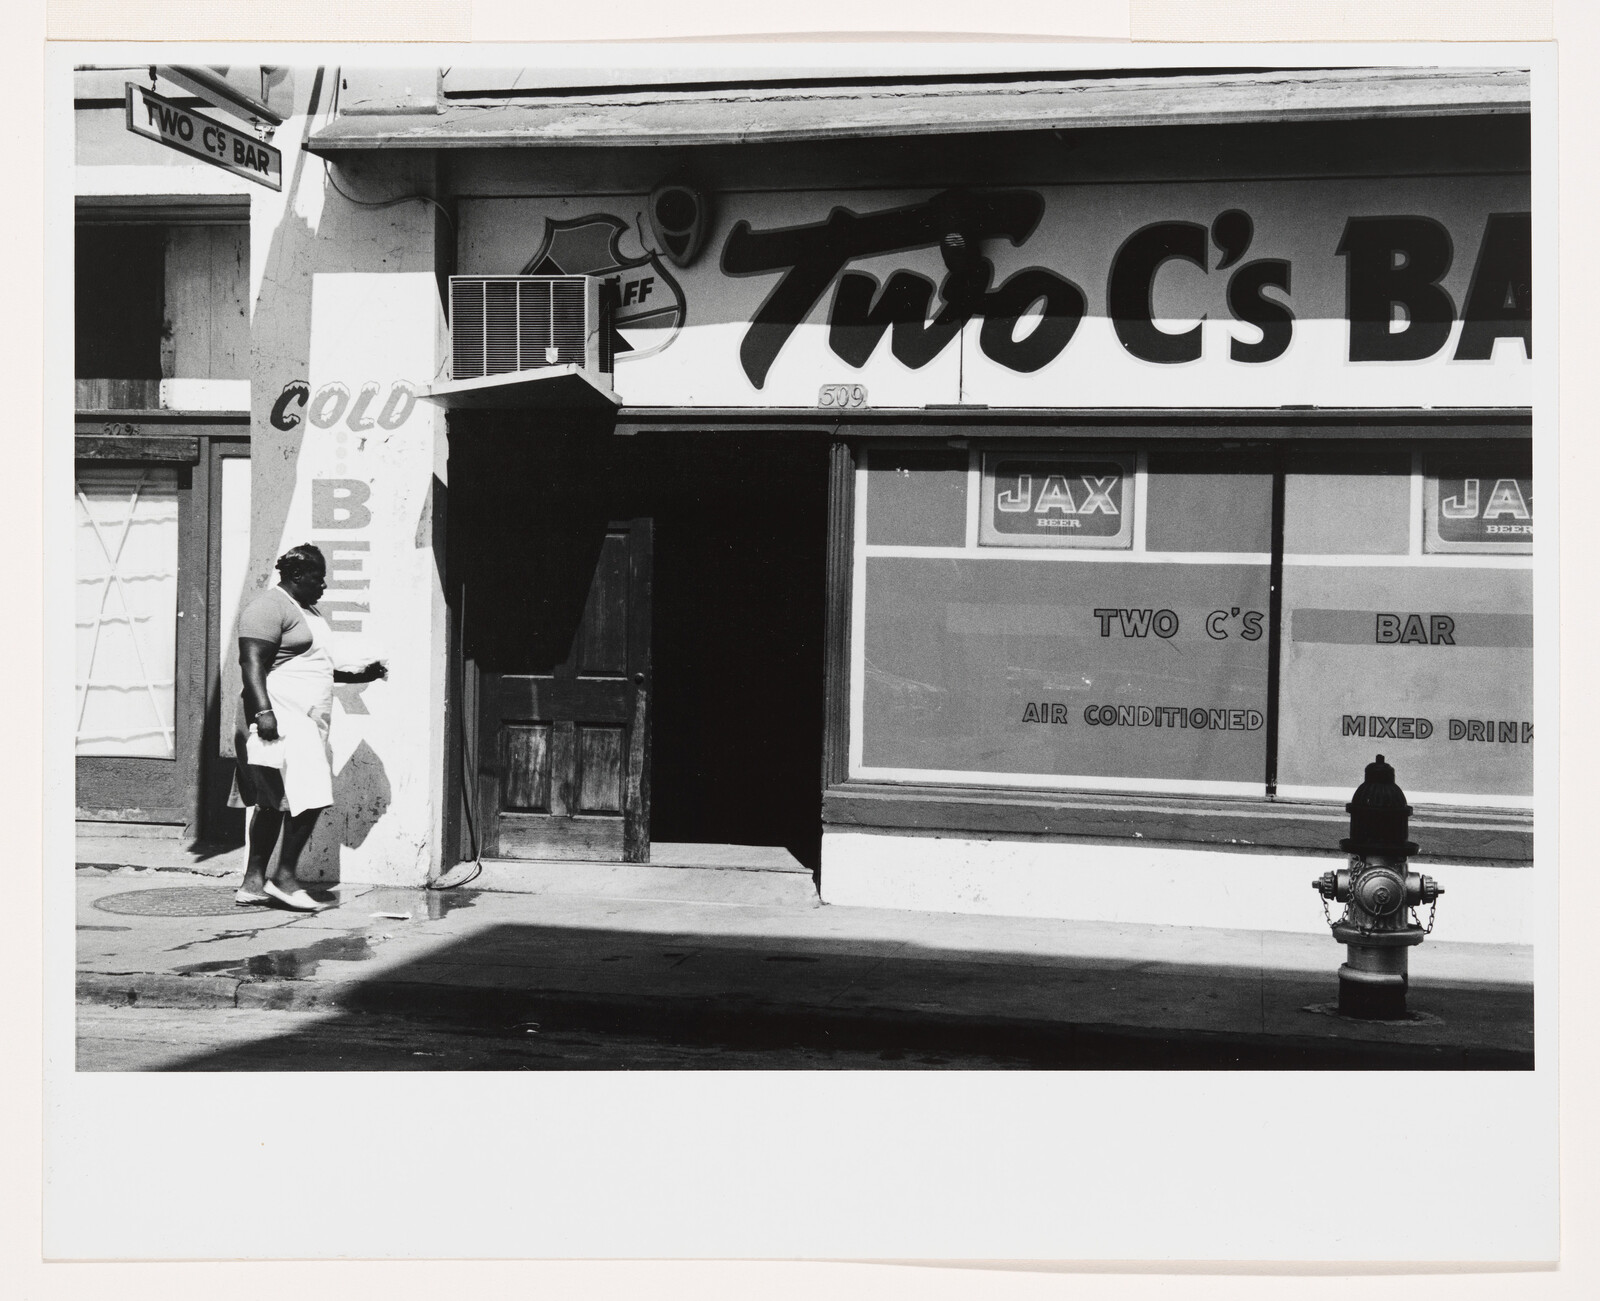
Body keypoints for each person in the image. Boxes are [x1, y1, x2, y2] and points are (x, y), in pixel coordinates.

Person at [230, 544, 386, 910]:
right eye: (319, 577)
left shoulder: (307, 611)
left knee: (273, 804)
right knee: (310, 797)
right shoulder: (268, 607)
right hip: (281, 717)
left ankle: (252, 885)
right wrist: (264, 713)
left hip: (304, 719)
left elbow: (314, 666)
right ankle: (283, 878)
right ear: (297, 575)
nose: (325, 585)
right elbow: (251, 662)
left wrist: (362, 673)